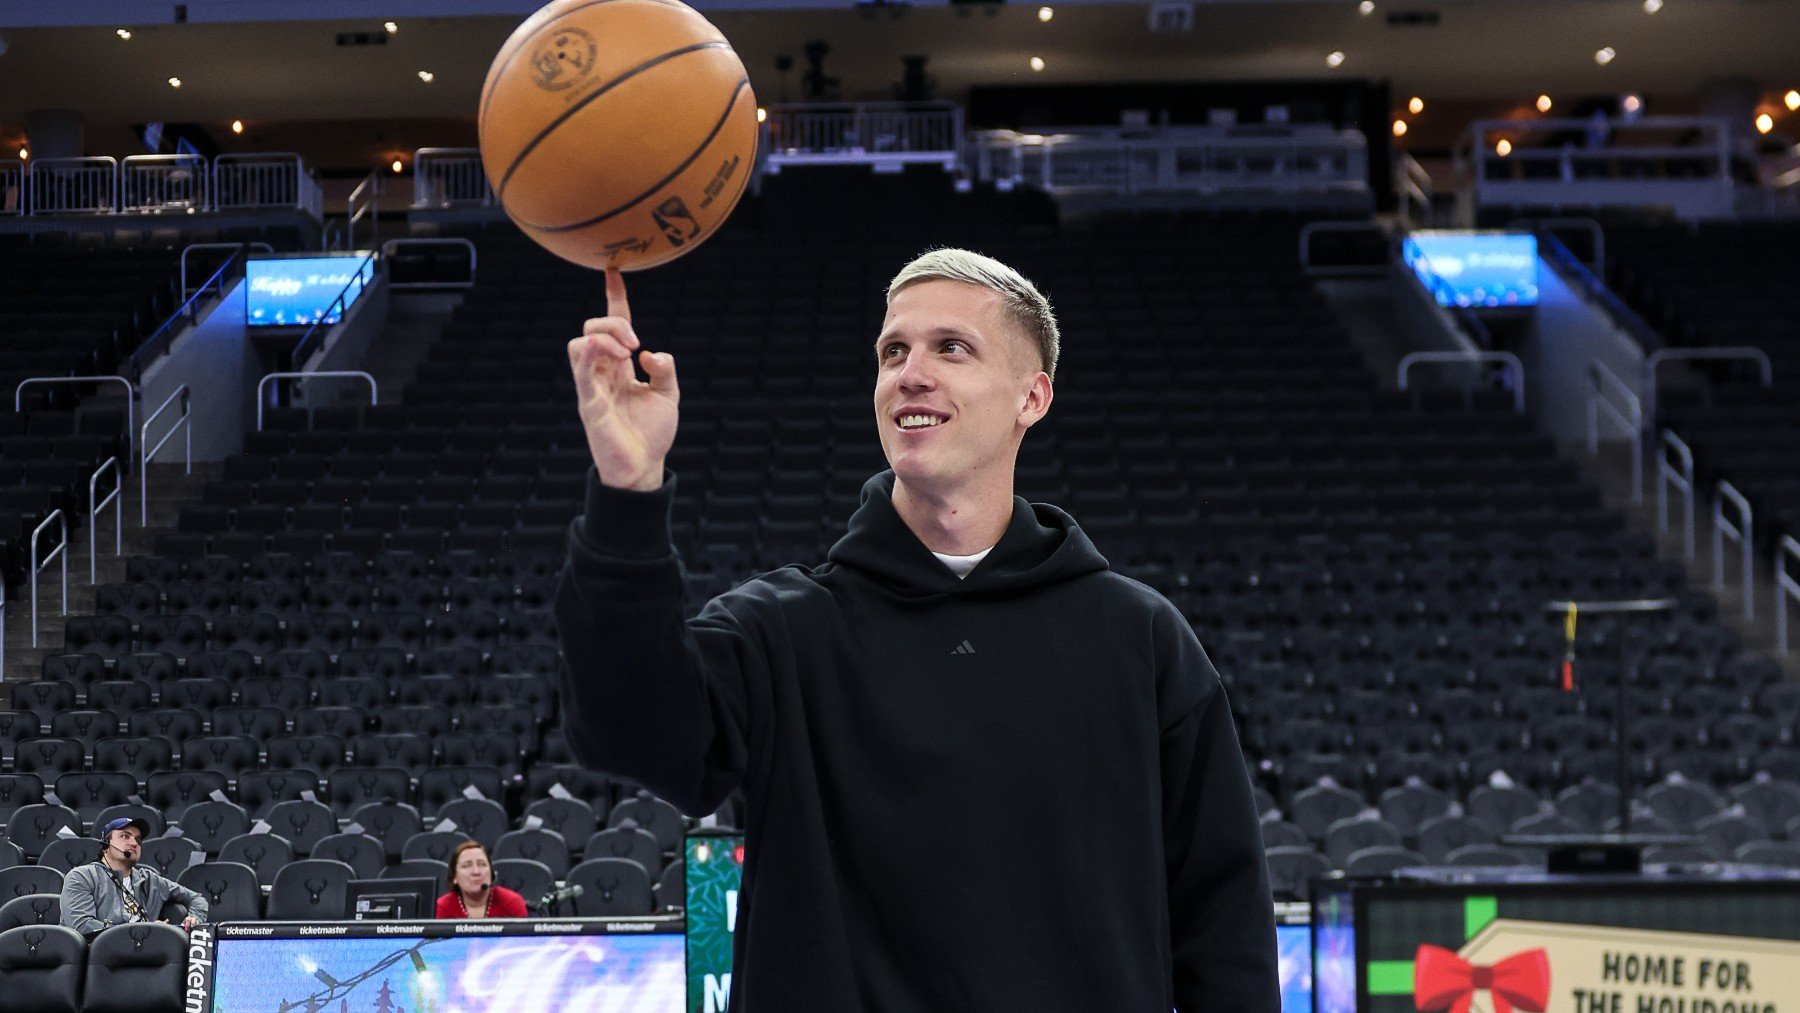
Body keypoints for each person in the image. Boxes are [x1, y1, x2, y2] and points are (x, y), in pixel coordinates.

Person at [557, 250, 1278, 1010]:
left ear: (1032, 396)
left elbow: (1224, 927)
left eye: (952, 348)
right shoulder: (781, 631)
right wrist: (627, 492)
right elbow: (623, 728)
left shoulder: (1141, 639)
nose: (910, 372)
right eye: (892, 351)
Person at [61, 816, 208, 938]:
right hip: (98, 958)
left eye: (138, 840)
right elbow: (83, 927)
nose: (134, 843)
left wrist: (194, 918)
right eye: (125, 836)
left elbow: (197, 898)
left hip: (144, 954)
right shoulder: (81, 876)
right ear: (106, 845)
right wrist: (146, 929)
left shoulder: (151, 880)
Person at [434, 840, 528, 919]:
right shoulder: (442, 907)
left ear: (491, 873)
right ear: (454, 877)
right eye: (466, 865)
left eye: (482, 864)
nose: (476, 872)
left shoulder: (512, 903)